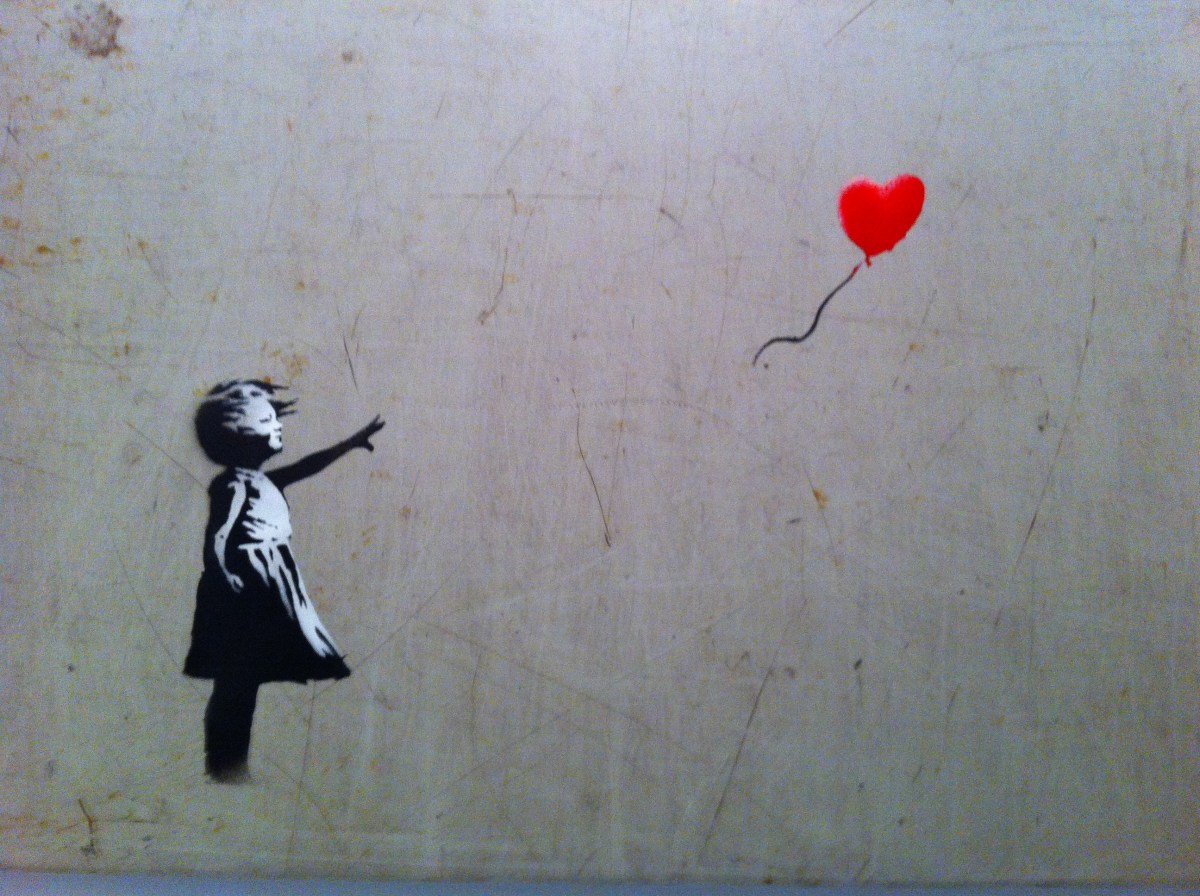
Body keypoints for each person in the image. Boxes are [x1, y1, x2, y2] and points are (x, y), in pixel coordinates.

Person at [183, 379, 384, 782]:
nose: (277, 426)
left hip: (272, 577)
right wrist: (225, 574)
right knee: (237, 677)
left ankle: (230, 762)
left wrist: (349, 444)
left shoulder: (262, 480)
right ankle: (225, 763)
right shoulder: (232, 484)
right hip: (248, 583)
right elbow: (218, 535)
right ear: (241, 434)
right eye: (268, 420)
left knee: (246, 675)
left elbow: (307, 466)